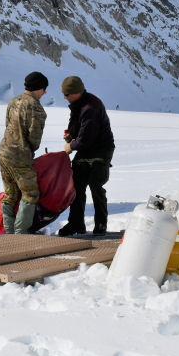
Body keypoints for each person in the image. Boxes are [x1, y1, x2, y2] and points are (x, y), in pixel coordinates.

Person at [58, 76, 115, 236]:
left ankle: (101, 223)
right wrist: (70, 135)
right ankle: (76, 224)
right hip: (86, 148)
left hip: (101, 149)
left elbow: (85, 139)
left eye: (67, 94)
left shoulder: (91, 107)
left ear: (76, 92)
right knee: (76, 184)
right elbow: (77, 127)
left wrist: (71, 146)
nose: (65, 97)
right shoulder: (77, 104)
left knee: (96, 184)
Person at [0, 71, 48, 234]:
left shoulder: (13, 101)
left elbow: (8, 125)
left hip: (3, 151)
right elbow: (35, 138)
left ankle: (9, 232)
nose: (44, 92)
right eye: (44, 89)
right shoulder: (36, 108)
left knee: (10, 193)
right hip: (19, 155)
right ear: (38, 88)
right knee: (30, 193)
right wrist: (28, 149)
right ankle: (20, 233)